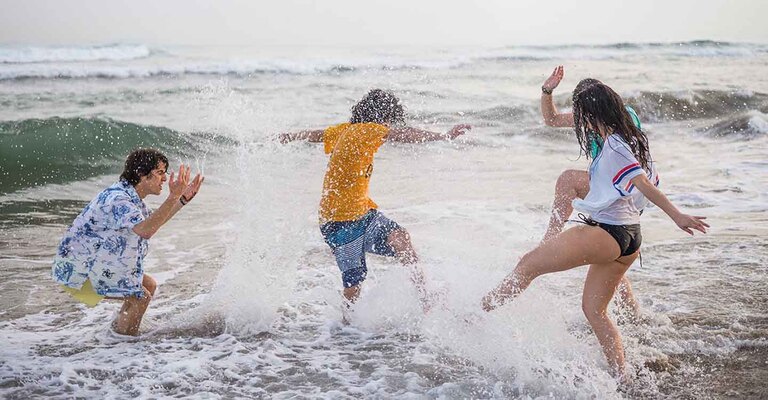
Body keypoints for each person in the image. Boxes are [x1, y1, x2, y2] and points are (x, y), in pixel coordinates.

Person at [481, 82, 708, 379]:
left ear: (590, 113)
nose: (578, 119)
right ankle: (621, 379)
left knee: (527, 265)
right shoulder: (620, 137)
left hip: (609, 233)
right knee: (595, 312)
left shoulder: (614, 145)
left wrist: (677, 216)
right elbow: (640, 180)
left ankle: (477, 313)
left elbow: (642, 183)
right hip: (629, 239)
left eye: (580, 112)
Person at [286, 89, 470, 310]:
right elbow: (404, 134)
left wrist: (286, 137)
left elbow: (316, 134)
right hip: (339, 223)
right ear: (382, 117)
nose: (389, 126)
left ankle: (425, 296)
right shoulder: (369, 130)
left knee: (400, 238)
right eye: (389, 120)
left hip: (363, 214)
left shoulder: (347, 130)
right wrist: (443, 136)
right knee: (354, 285)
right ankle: (345, 328)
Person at [52, 148, 204, 336]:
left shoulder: (130, 197)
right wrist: (172, 196)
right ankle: (125, 345)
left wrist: (181, 199)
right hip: (77, 273)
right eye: (160, 173)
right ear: (141, 173)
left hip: (86, 266)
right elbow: (146, 230)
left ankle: (117, 334)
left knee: (148, 285)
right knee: (141, 297)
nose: (165, 179)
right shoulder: (119, 199)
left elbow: (153, 223)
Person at [540, 66, 645, 319]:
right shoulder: (590, 120)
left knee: (567, 180)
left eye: (582, 111)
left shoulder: (623, 119)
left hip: (623, 190)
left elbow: (633, 166)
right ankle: (635, 316)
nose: (580, 118)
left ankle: (548, 242)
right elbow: (551, 120)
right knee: (609, 262)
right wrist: (547, 91)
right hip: (612, 191)